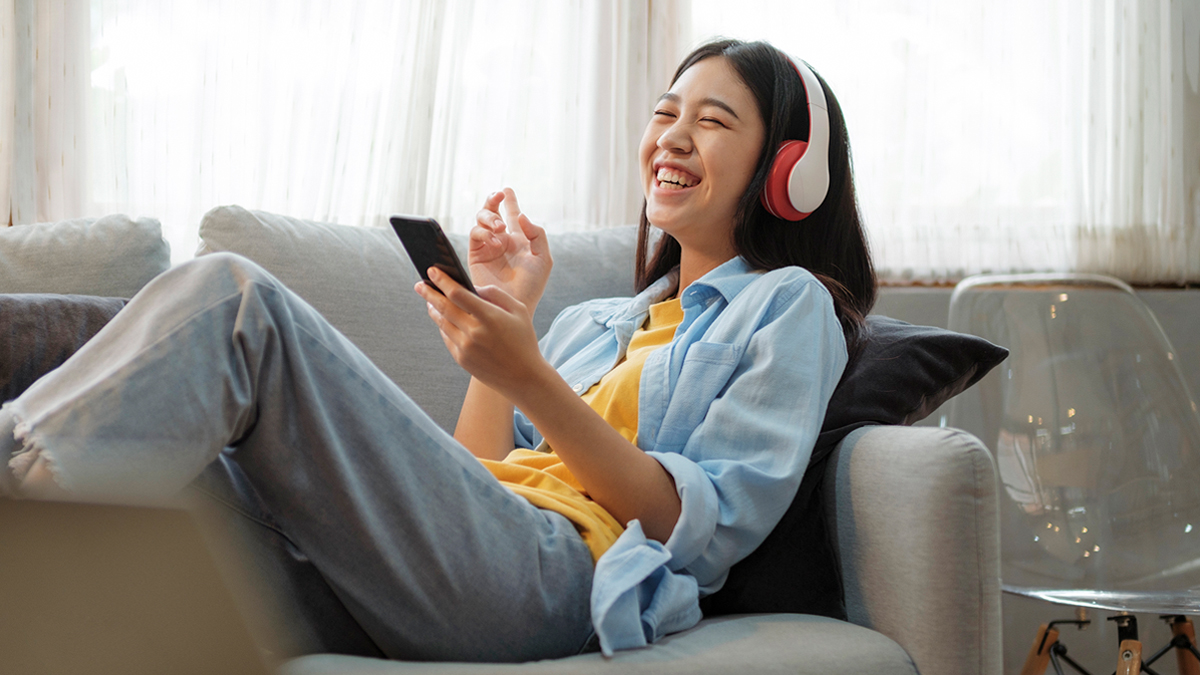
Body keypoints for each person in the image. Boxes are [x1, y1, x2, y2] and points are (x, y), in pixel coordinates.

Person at [0, 38, 875, 662]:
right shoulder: (599, 322)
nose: (673, 135)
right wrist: (513, 320)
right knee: (169, 435)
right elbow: (475, 472)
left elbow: (695, 528)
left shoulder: (787, 307)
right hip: (456, 572)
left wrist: (528, 373)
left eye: (714, 121)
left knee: (236, 303)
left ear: (790, 169)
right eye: (665, 113)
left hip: (556, 578)